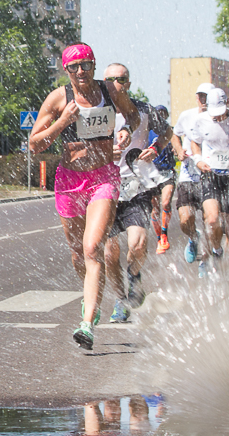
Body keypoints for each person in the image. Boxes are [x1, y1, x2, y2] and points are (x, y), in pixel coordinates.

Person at [29, 44, 138, 350]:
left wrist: (127, 130)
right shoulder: (58, 98)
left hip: (103, 177)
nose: (81, 72)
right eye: (74, 67)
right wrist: (63, 121)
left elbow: (132, 115)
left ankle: (87, 323)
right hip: (69, 180)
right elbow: (34, 144)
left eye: (86, 65)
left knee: (92, 249)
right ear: (66, 70)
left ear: (94, 65)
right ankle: (92, 299)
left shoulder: (110, 91)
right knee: (78, 253)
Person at [100, 64, 172, 323]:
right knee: (110, 255)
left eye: (121, 79)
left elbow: (167, 132)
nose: (115, 83)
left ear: (129, 83)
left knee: (137, 245)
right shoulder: (98, 112)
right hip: (105, 189)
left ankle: (135, 279)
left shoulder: (143, 110)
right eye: (110, 79)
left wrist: (155, 148)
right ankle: (121, 300)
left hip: (136, 187)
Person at [188, 87, 229, 277]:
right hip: (211, 174)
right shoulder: (201, 120)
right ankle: (217, 250)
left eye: (221, 113)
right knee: (212, 219)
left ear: (227, 104)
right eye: (215, 114)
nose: (218, 118)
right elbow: (194, 142)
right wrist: (198, 160)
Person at [171, 84, 212, 267]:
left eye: (207, 96)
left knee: (210, 221)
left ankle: (206, 262)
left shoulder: (218, 119)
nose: (204, 100)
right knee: (185, 219)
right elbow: (174, 135)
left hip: (210, 176)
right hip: (188, 174)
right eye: (201, 96)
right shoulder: (187, 116)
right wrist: (179, 149)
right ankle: (193, 237)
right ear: (196, 97)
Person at [147, 105, 176, 254]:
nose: (160, 116)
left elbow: (177, 147)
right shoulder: (147, 132)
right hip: (151, 174)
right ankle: (159, 238)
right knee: (155, 210)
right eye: (158, 114)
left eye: (163, 114)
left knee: (166, 202)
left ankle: (164, 233)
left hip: (167, 172)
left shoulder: (170, 132)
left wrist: (177, 150)